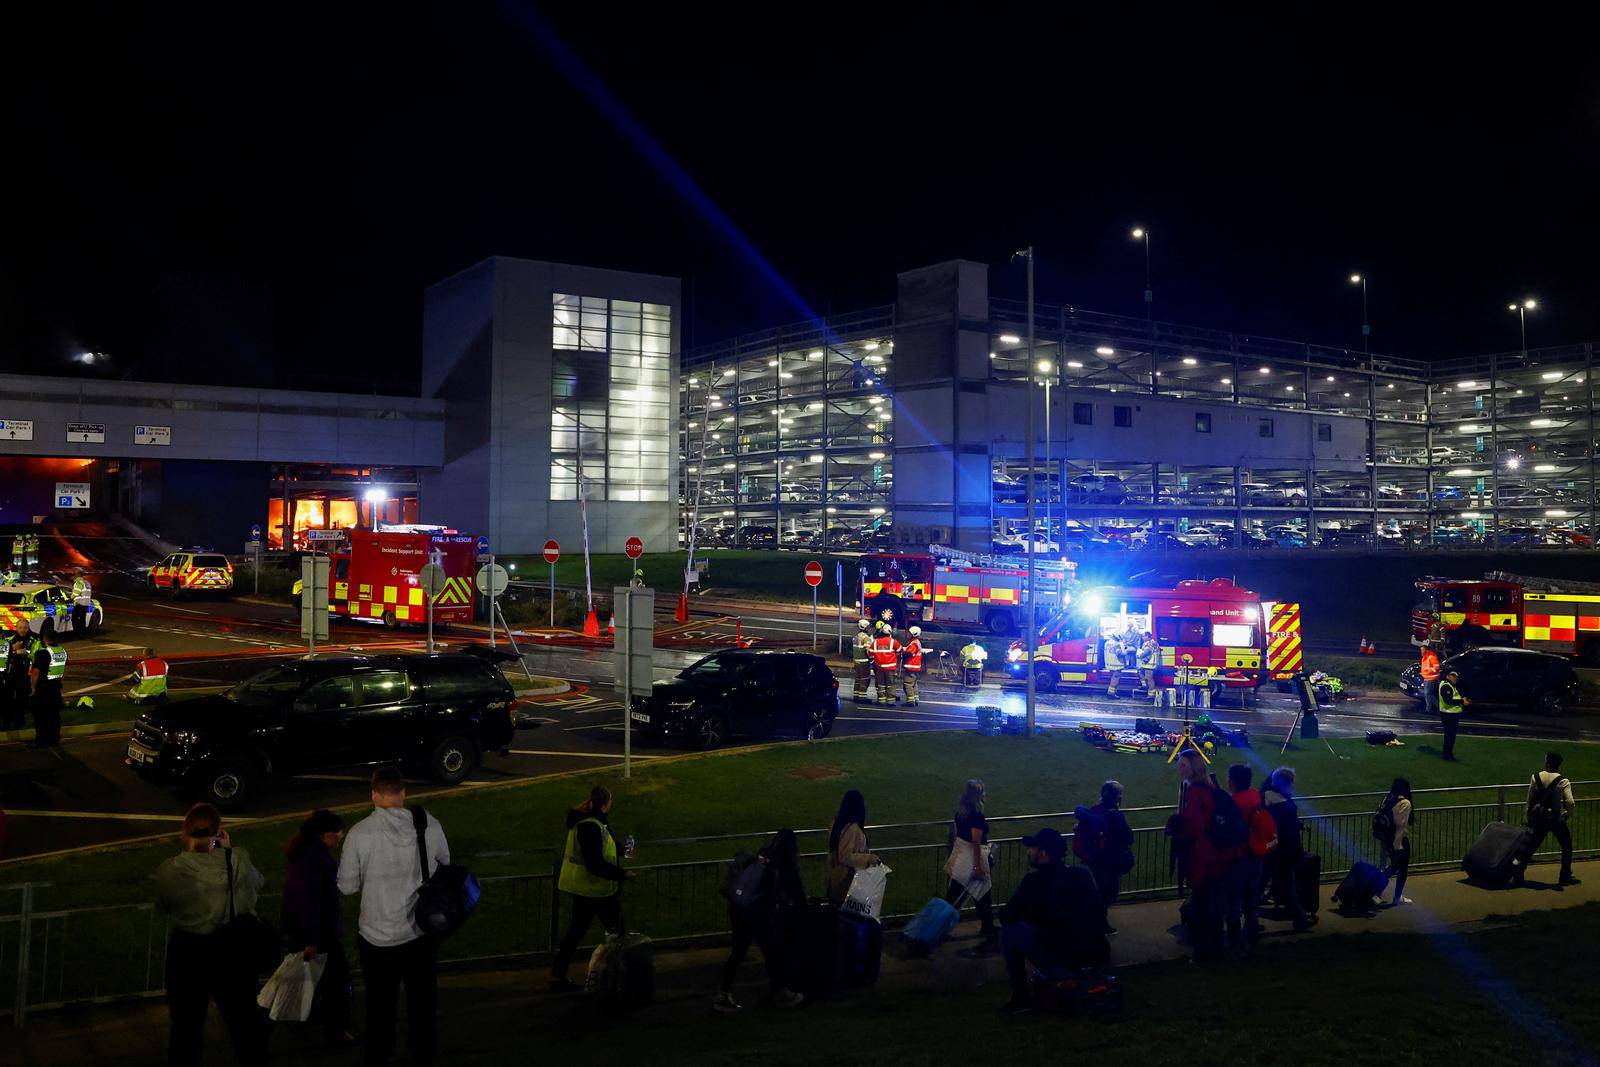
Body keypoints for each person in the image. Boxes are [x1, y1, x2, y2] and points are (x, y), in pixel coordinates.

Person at [337, 766, 448, 1066]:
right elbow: (444, 864)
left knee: (380, 1007)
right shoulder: (428, 824)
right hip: (419, 933)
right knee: (422, 1004)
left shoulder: (360, 833)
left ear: (373, 795)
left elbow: (346, 887)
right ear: (402, 792)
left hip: (377, 937)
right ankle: (423, 1053)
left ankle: (379, 1055)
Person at [153, 802, 268, 1067]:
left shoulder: (171, 869)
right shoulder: (236, 859)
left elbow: (163, 905)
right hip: (230, 949)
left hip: (189, 950)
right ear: (219, 831)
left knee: (186, 1025)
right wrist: (228, 851)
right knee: (243, 1022)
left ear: (186, 832)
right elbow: (257, 884)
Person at [995, 828, 1108, 1015]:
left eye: (1033, 848)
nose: (1029, 851)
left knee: (1010, 933)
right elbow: (1099, 912)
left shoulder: (1034, 881)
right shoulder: (1082, 875)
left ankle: (1021, 997)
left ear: (1043, 853)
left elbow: (1006, 917)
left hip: (1063, 956)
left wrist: (1028, 917)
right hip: (1096, 954)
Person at [550, 785, 633, 990]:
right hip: (596, 891)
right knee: (618, 934)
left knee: (576, 933)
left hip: (589, 890)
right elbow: (595, 863)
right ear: (607, 803)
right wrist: (622, 874)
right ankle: (618, 976)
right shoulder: (591, 826)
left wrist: (624, 850)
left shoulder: (595, 823)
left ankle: (558, 976)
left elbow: (608, 845)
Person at [283, 809, 354, 1046]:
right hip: (319, 933)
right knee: (337, 981)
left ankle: (306, 1018)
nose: (341, 835)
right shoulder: (315, 860)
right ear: (325, 835)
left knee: (315, 979)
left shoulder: (304, 853)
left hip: (306, 930)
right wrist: (311, 941)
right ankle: (337, 1031)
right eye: (337, 831)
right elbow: (310, 902)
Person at [714, 828, 806, 1012]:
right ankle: (780, 994)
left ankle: (723, 995)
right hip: (757, 912)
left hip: (738, 907)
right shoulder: (784, 863)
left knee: (739, 951)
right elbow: (798, 896)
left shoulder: (763, 855)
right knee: (772, 953)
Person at [1166, 750, 1231, 962]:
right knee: (1212, 904)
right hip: (1217, 855)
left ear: (1194, 768)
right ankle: (1215, 949)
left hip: (1203, 858)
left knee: (1203, 906)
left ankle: (1205, 953)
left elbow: (1194, 827)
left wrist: (1177, 825)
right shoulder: (1210, 787)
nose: (1180, 768)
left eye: (1184, 765)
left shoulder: (1196, 792)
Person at [944, 779, 997, 945]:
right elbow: (976, 840)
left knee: (954, 897)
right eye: (983, 793)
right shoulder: (976, 815)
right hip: (972, 860)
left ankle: (940, 927)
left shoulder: (961, 813)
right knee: (982, 895)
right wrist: (977, 866)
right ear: (977, 796)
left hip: (961, 858)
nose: (985, 795)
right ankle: (987, 927)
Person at [1262, 767, 1315, 932]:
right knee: (1287, 888)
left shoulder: (1269, 798)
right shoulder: (1281, 802)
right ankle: (1300, 919)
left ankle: (1249, 921)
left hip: (1273, 850)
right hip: (1282, 851)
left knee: (1261, 885)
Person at [1517, 752, 1579, 888]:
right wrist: (1566, 815)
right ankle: (1564, 876)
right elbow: (1570, 802)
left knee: (1530, 847)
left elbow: (1529, 799)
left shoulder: (1536, 777)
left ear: (1547, 762)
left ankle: (1518, 874)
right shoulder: (1563, 781)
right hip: (1555, 819)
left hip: (1538, 818)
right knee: (1566, 846)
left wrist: (1528, 816)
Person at [1224, 765, 1265, 946]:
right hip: (1255, 853)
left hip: (1239, 856)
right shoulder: (1255, 795)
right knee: (1252, 899)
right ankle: (1252, 932)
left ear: (1232, 781)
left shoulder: (1234, 803)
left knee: (1234, 900)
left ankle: (1234, 936)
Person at [1084, 781, 1134, 922]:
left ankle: (1098, 920)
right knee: (1108, 892)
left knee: (1101, 888)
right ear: (1117, 797)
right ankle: (1099, 922)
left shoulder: (1094, 809)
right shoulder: (1115, 815)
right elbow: (1128, 837)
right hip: (1110, 859)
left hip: (1094, 857)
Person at [826, 788, 880, 907]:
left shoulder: (837, 823)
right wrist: (868, 858)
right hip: (847, 882)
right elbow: (845, 856)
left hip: (835, 877)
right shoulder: (851, 828)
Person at [28, 626, 65, 748]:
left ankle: (41, 740)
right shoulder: (62, 652)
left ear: (45, 639)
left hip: (44, 689)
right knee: (54, 716)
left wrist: (33, 688)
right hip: (56, 687)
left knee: (41, 716)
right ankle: (54, 739)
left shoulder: (43, 653)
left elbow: (36, 672)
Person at [1378, 778, 1414, 906]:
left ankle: (1378, 892)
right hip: (1399, 841)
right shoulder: (1405, 803)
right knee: (1399, 869)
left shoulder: (1388, 798)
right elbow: (1401, 825)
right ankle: (1394, 896)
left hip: (1387, 838)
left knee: (1393, 868)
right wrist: (1398, 845)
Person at [2, 628, 30, 730]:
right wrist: (17, 650)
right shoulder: (7, 644)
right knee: (8, 700)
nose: (22, 630)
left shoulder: (32, 639)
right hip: (7, 676)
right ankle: (10, 722)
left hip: (13, 675)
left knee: (10, 699)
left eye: (24, 627)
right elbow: (10, 654)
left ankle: (8, 722)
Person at [1438, 669, 1467, 761]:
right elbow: (1448, 700)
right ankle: (1448, 755)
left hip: (1451, 713)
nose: (1455, 678)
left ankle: (1448, 754)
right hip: (1449, 714)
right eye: (1453, 675)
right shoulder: (1446, 686)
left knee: (1450, 736)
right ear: (1447, 676)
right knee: (1450, 736)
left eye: (1456, 676)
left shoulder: (1450, 685)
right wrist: (1462, 701)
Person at [870, 622, 900, 706]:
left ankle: (881, 701)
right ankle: (890, 702)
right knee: (891, 684)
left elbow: (870, 653)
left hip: (879, 667)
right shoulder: (893, 642)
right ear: (890, 632)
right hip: (890, 668)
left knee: (881, 684)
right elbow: (900, 650)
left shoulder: (876, 642)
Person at [900, 626, 924, 706]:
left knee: (908, 684)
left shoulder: (914, 643)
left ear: (914, 634)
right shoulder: (916, 642)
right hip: (915, 667)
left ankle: (910, 701)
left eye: (909, 633)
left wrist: (902, 653)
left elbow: (909, 653)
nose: (908, 634)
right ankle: (915, 699)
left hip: (911, 667)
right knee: (913, 684)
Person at [852, 619, 872, 703]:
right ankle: (862, 697)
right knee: (864, 679)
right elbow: (868, 651)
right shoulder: (866, 638)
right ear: (865, 627)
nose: (869, 628)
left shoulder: (855, 637)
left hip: (856, 661)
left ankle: (856, 695)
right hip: (864, 662)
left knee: (858, 678)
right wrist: (872, 658)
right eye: (868, 626)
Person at [1419, 642, 1442, 717]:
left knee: (1428, 694)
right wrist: (1423, 673)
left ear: (1426, 650)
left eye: (1423, 650)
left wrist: (1427, 672)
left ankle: (1432, 708)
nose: (1421, 651)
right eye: (1421, 650)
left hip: (1431, 678)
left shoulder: (1431, 657)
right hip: (1427, 678)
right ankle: (1432, 709)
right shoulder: (1425, 657)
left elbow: (1436, 667)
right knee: (1428, 694)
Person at [1137, 632, 1159, 701]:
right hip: (1146, 663)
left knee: (1149, 678)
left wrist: (1139, 655)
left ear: (1148, 636)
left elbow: (1147, 651)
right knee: (1141, 673)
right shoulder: (1148, 642)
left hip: (1150, 663)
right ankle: (1145, 687)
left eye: (1144, 636)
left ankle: (1151, 695)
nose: (1142, 638)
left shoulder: (1150, 643)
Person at [1103, 633, 1125, 699]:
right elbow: (1120, 653)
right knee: (1115, 678)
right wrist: (1125, 652)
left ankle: (1111, 692)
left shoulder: (1107, 643)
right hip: (1117, 663)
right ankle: (1111, 693)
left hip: (1109, 663)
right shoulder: (1117, 644)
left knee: (1112, 677)